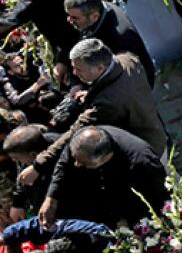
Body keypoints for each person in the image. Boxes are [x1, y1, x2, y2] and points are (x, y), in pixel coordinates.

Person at [22, 39, 165, 190]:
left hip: (146, 151)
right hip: (155, 129)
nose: (75, 73)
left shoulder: (106, 103)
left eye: (79, 69)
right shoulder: (127, 59)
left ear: (99, 67)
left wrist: (38, 165)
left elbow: (74, 133)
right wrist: (91, 94)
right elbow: (117, 89)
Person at [39, 125, 168, 230]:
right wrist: (51, 198)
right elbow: (63, 164)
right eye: (75, 158)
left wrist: (125, 220)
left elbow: (154, 200)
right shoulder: (81, 142)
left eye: (84, 163)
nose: (76, 165)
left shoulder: (142, 163)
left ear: (103, 159)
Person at [63, 0, 155, 86]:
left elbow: (130, 74)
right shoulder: (98, 10)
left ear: (94, 16)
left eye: (75, 18)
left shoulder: (121, 37)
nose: (69, 20)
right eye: (69, 16)